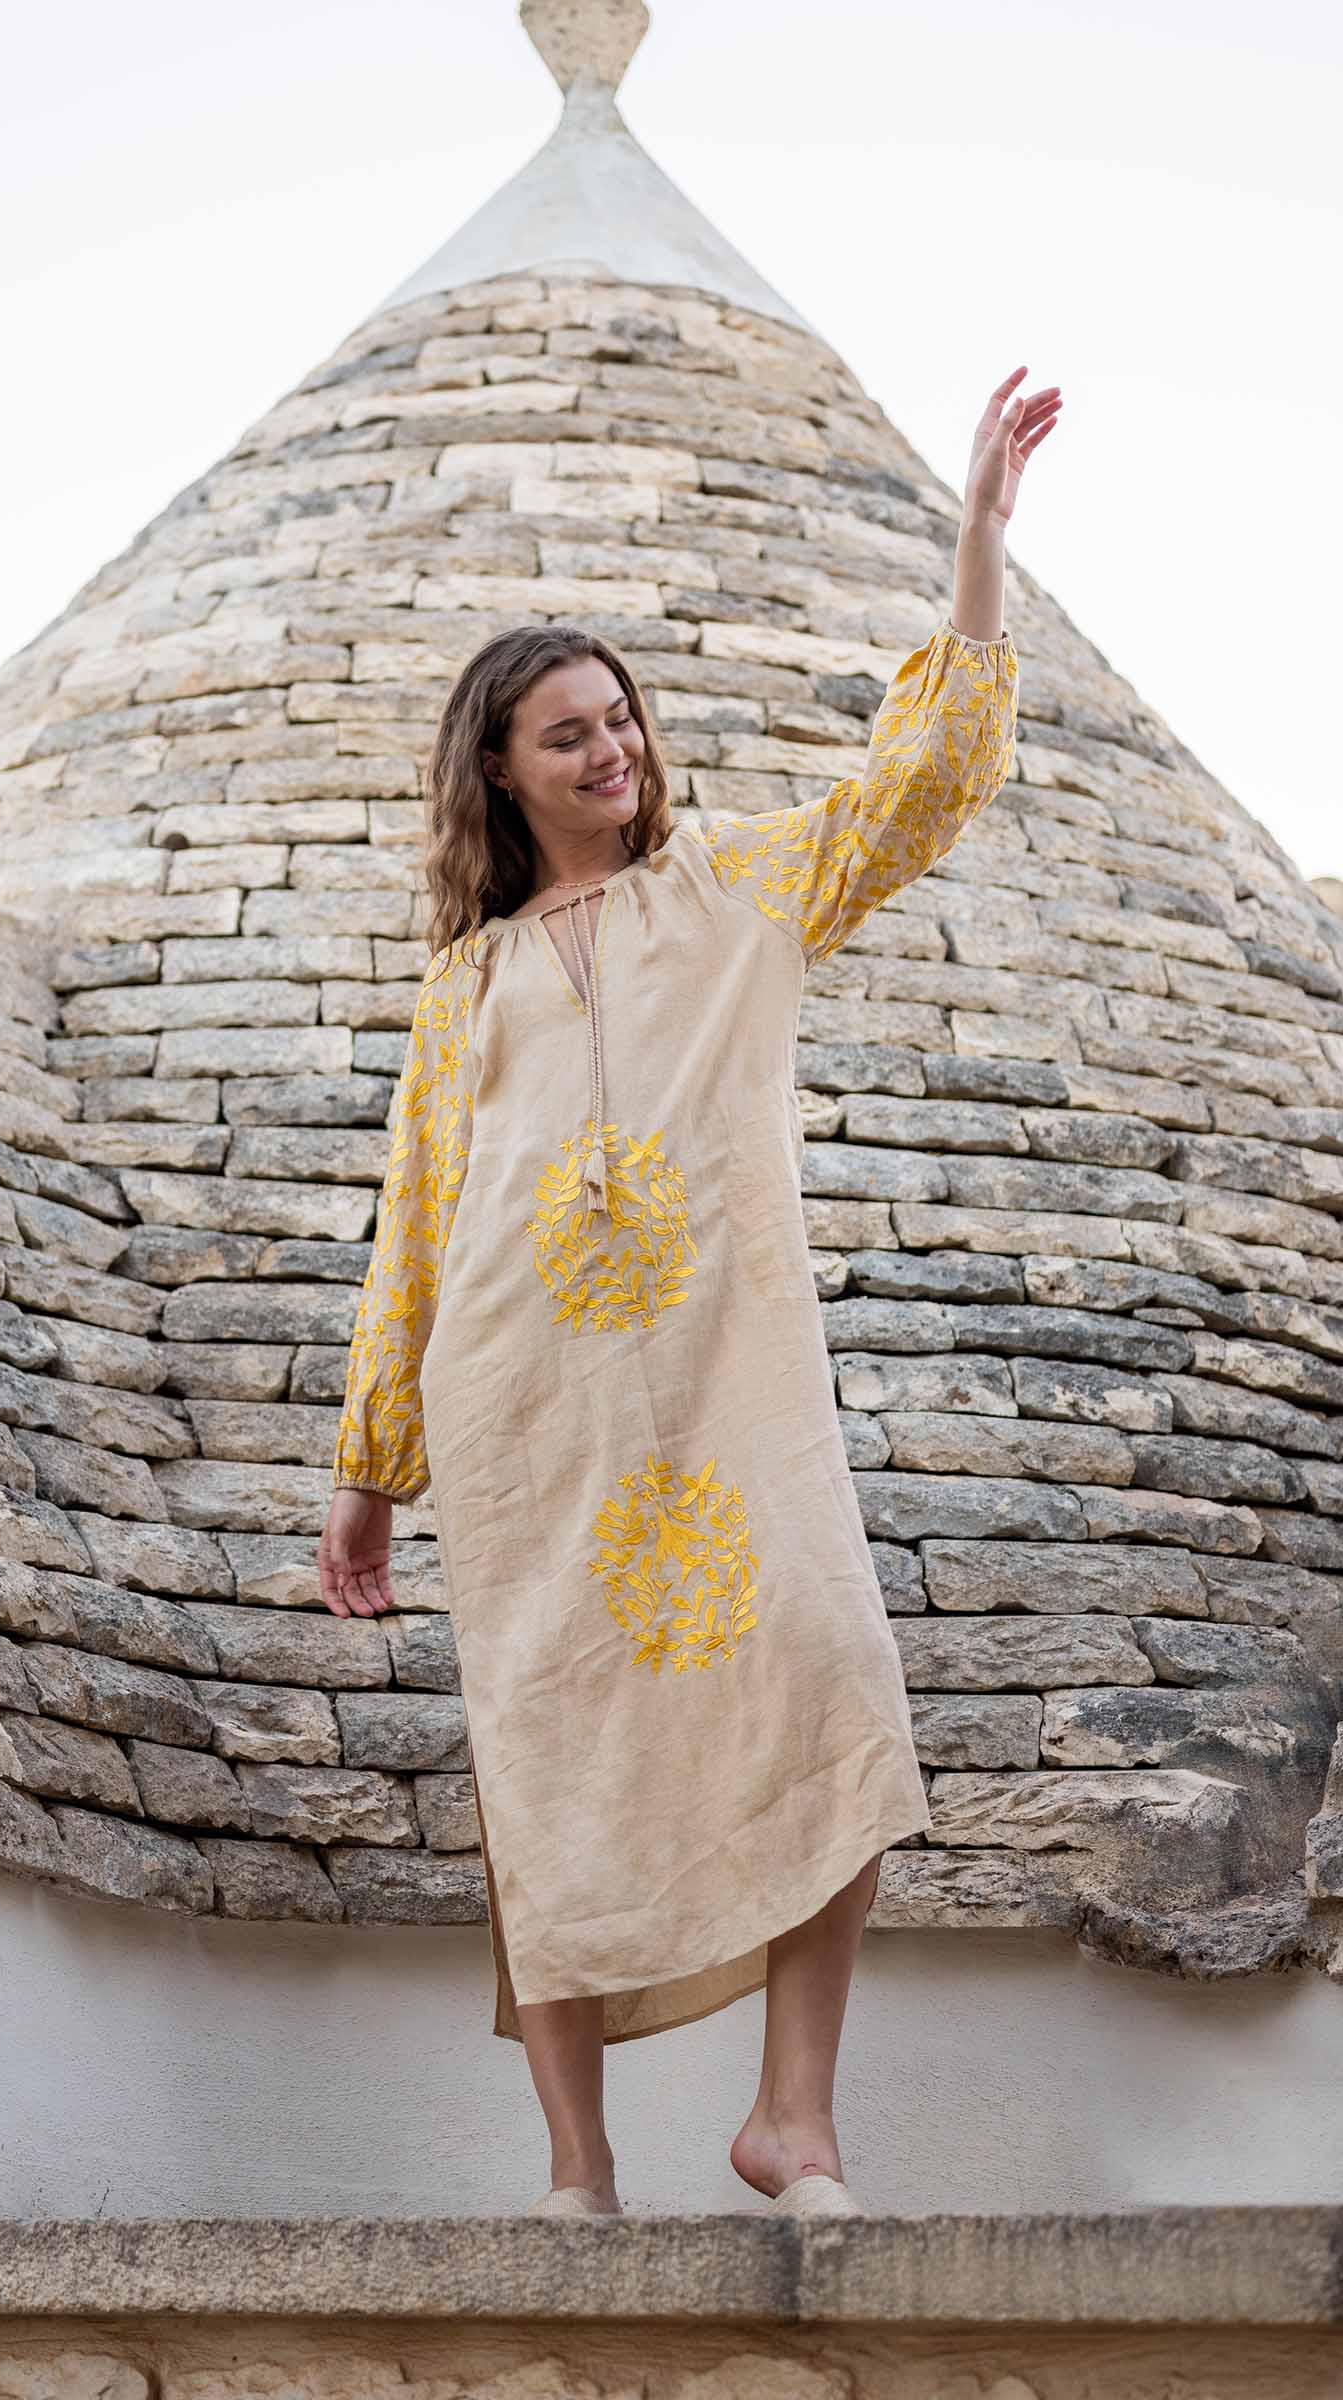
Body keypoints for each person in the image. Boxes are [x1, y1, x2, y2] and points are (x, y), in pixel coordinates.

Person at [316, 366, 1059, 2216]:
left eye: (622, 719)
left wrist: (974, 539)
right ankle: (580, 2169)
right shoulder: (460, 991)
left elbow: (921, 784)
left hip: (731, 1377)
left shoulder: (733, 892)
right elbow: (418, 1223)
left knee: (829, 1678)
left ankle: (792, 2118)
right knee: (548, 1753)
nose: (610, 751)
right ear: (499, 769)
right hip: (526, 1410)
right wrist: (367, 1467)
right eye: (568, 734)